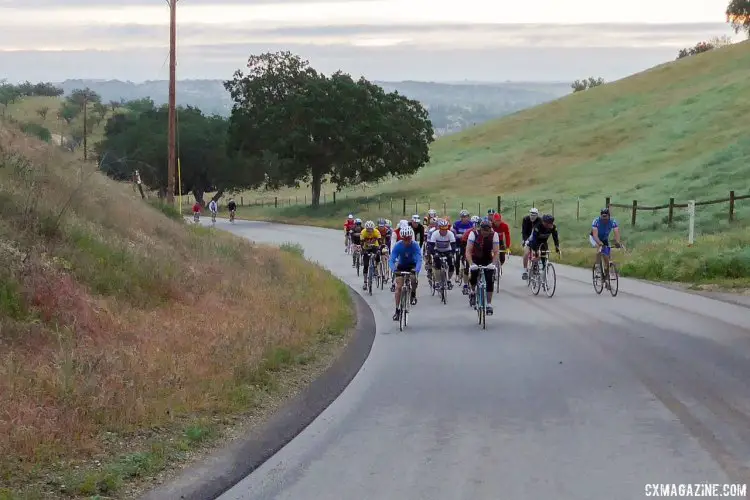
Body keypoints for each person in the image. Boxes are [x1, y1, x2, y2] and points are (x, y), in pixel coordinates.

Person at [465, 219, 500, 315]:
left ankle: (488, 304)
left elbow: (496, 252)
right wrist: (471, 264)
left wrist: (493, 264)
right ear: (480, 229)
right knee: (474, 275)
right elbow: (468, 251)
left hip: (487, 259)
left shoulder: (494, 235)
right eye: (483, 231)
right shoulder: (473, 234)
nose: (485, 233)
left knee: (489, 280)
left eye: (487, 231)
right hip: (475, 258)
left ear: (490, 230)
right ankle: (472, 291)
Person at [388, 226, 423, 321]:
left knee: (413, 279)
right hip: (401, 265)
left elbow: (419, 259)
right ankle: (397, 310)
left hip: (412, 265)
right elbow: (391, 259)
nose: (407, 241)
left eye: (409, 239)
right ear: (402, 238)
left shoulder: (415, 245)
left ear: (411, 238)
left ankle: (413, 294)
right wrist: (394, 269)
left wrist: (416, 270)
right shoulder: (398, 245)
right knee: (398, 287)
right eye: (405, 239)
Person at [590, 208, 622, 282]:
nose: (604, 218)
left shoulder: (613, 222)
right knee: (599, 249)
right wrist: (599, 242)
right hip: (594, 238)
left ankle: (607, 276)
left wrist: (617, 242)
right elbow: (595, 235)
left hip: (604, 239)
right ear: (600, 216)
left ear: (609, 216)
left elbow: (616, 233)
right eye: (602, 216)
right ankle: (597, 268)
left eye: (606, 216)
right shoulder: (596, 221)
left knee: (606, 257)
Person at [427, 218, 457, 289]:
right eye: (442, 229)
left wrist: (452, 253)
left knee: (451, 264)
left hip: (447, 250)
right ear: (439, 228)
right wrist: (434, 254)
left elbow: (453, 245)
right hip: (437, 250)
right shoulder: (435, 234)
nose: (444, 231)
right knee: (437, 263)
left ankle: (449, 280)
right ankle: (437, 281)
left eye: (445, 229)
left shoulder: (450, 234)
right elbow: (431, 246)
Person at [360, 221, 383, 290]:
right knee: (366, 265)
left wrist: (380, 249)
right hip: (366, 247)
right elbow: (361, 243)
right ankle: (365, 282)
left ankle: (376, 267)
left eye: (371, 229)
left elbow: (380, 241)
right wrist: (363, 251)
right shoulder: (363, 232)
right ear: (366, 228)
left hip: (374, 246)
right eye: (368, 229)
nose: (369, 231)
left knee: (377, 254)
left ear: (373, 228)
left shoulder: (376, 231)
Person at [452, 210, 474, 281]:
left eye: (466, 217)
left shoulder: (471, 224)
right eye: (463, 217)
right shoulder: (456, 224)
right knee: (458, 256)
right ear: (460, 218)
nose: (465, 218)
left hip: (468, 242)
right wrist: (458, 236)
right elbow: (453, 233)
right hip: (459, 243)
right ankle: (457, 274)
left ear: (468, 217)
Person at [521, 208, 542, 280]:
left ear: (537, 215)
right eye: (531, 215)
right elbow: (524, 231)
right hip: (527, 238)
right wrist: (525, 240)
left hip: (536, 238)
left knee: (539, 253)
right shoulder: (525, 219)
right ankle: (524, 270)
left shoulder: (540, 220)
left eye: (534, 215)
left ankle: (535, 264)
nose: (532, 217)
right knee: (526, 252)